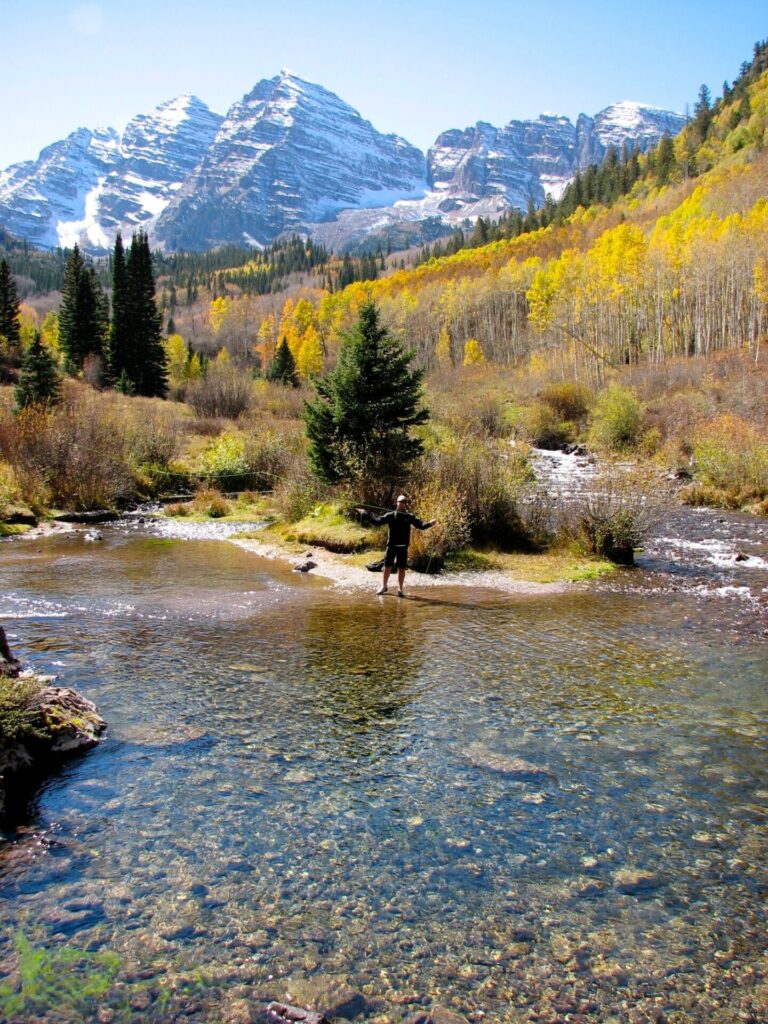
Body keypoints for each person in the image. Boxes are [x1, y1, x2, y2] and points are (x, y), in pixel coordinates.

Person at [356, 495, 435, 597]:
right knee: (387, 567)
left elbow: (421, 525)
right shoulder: (390, 515)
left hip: (403, 547)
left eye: (404, 502)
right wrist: (365, 514)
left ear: (406, 504)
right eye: (400, 501)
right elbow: (377, 522)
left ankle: (400, 589)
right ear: (396, 502)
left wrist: (429, 524)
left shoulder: (409, 516)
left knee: (401, 568)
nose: (402, 503)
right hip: (391, 546)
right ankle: (384, 586)